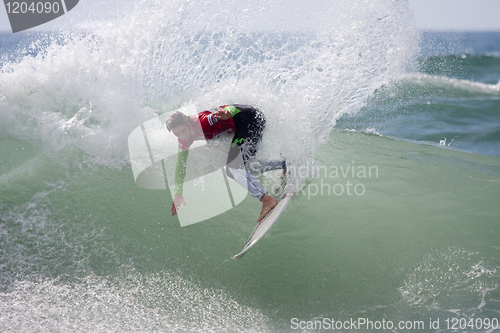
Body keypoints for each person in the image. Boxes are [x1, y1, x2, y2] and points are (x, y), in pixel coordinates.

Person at [165, 104, 286, 222]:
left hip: (250, 120)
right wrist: (178, 193)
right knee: (246, 169)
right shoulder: (183, 139)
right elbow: (180, 164)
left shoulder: (203, 122)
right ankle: (284, 164)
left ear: (187, 122)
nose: (182, 136)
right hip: (245, 124)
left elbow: (230, 109)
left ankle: (266, 199)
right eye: (177, 134)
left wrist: (228, 112)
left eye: (183, 131)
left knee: (232, 169)